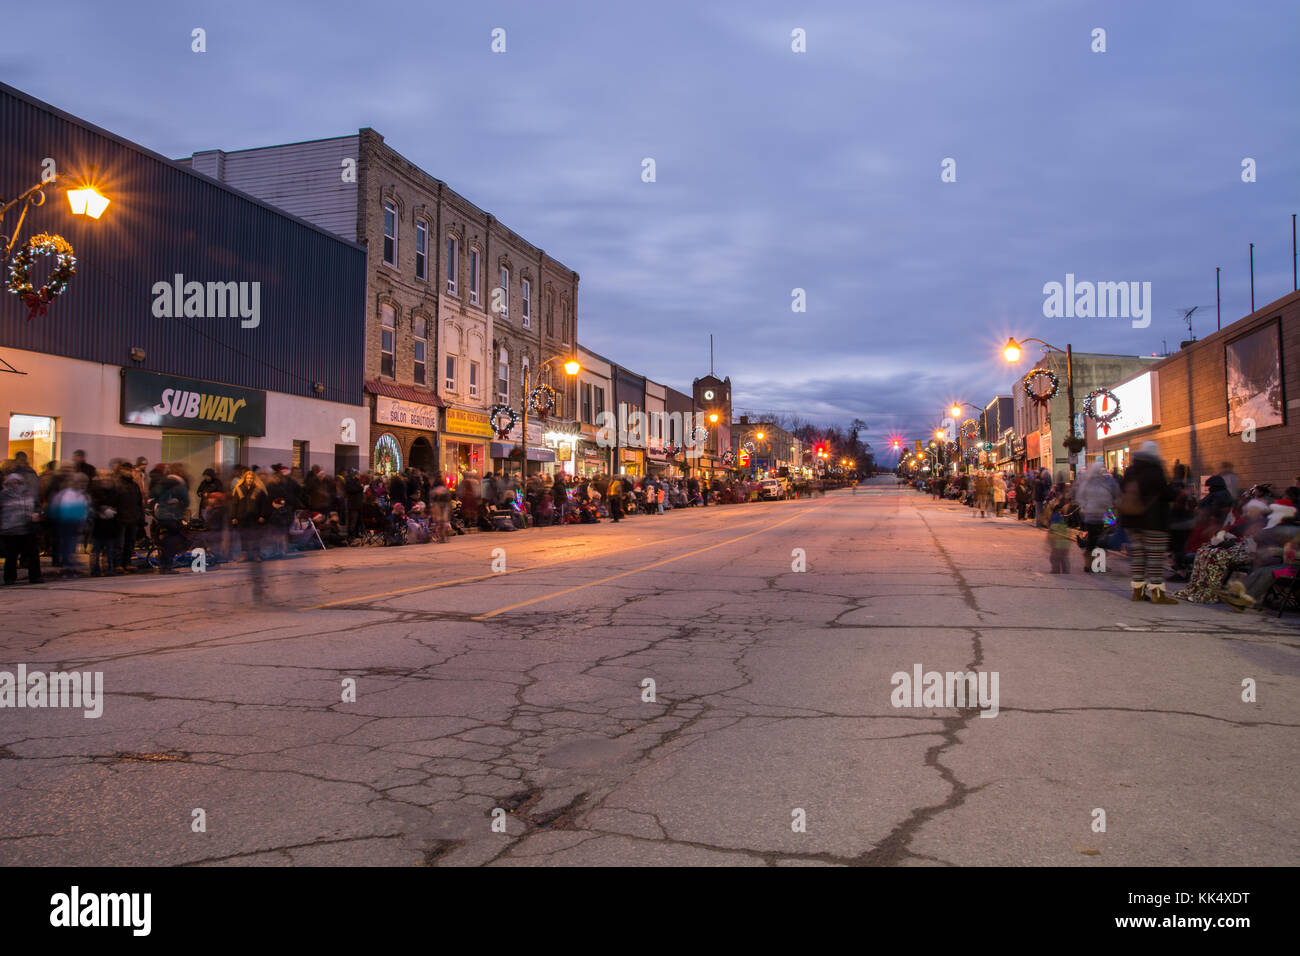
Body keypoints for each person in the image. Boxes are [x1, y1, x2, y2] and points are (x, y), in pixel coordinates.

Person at [1118, 442, 1176, 603]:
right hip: (1153, 521)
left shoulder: (1130, 471)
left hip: (1132, 520)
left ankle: (1138, 591)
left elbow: (1122, 488)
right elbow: (1165, 493)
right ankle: (1158, 593)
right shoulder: (1155, 471)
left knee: (1138, 556)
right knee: (1155, 557)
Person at [1, 472, 43, 585]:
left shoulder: (29, 495)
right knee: (11, 555)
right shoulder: (3, 495)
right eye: (12, 483)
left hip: (27, 528)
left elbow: (38, 507)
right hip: (10, 530)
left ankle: (35, 577)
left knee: (33, 554)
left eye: (17, 482)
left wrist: (37, 514)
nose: (15, 485)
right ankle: (9, 578)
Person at [1076, 462, 1117, 571]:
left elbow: (1080, 496)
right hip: (1099, 514)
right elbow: (1110, 495)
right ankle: (1094, 563)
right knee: (1098, 538)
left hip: (1091, 514)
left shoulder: (1088, 483)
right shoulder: (1103, 483)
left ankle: (1091, 563)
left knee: (1094, 538)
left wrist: (1084, 506)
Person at [1048, 505, 1071, 573]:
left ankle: (1055, 570)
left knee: (1054, 558)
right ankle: (1066, 570)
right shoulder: (1064, 527)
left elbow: (1051, 537)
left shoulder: (1053, 527)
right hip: (1065, 546)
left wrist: (1050, 544)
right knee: (1064, 558)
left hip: (1057, 545)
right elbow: (1068, 536)